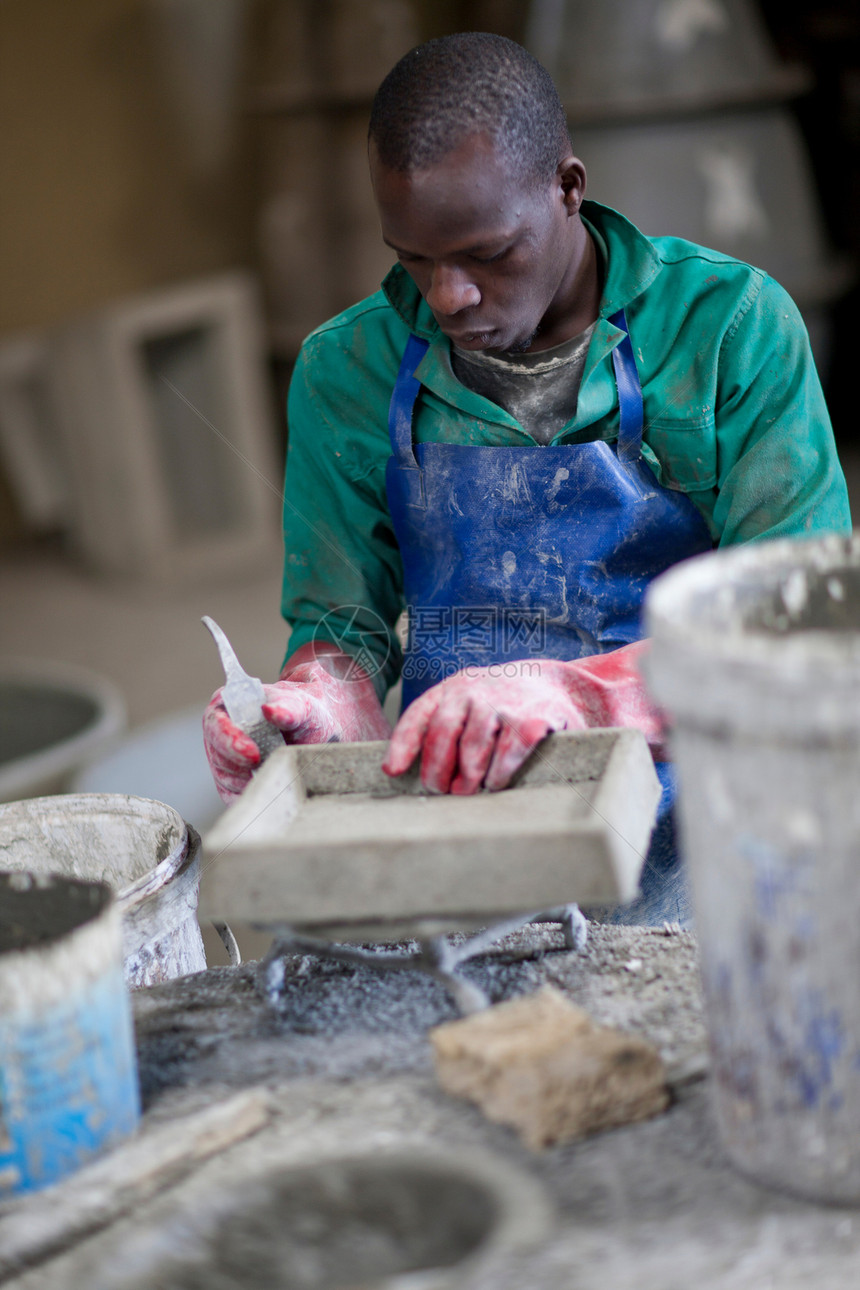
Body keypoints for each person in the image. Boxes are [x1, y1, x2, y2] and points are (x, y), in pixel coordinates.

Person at [203, 32, 851, 923]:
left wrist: (577, 693)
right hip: (467, 816)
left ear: (568, 188)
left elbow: (803, 627)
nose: (448, 297)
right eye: (414, 258)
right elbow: (342, 623)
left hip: (709, 811)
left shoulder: (728, 328)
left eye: (486, 253)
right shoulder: (344, 371)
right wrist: (318, 707)